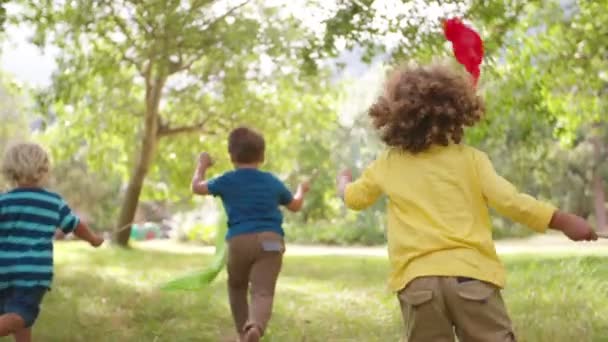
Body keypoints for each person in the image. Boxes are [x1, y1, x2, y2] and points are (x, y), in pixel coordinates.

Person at [336, 62, 597, 342]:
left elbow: (355, 198)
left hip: (417, 282)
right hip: (471, 276)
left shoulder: (387, 164)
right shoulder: (471, 160)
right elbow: (512, 202)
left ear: (393, 115)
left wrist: (342, 184)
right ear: (456, 110)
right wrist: (564, 220)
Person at [191, 126, 310, 342]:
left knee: (237, 286)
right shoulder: (271, 181)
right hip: (271, 242)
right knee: (263, 291)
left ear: (231, 156)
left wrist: (202, 165)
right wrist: (302, 190)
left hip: (239, 241)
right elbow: (294, 205)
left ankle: (242, 332)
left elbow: (197, 187)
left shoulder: (227, 180)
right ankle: (255, 325)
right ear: (262, 156)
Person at [0, 142, 104, 342]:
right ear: (43, 170)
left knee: (14, 314)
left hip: (3, 271)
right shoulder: (53, 202)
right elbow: (75, 225)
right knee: (21, 315)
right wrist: (93, 239)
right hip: (32, 273)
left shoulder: (3, 201)